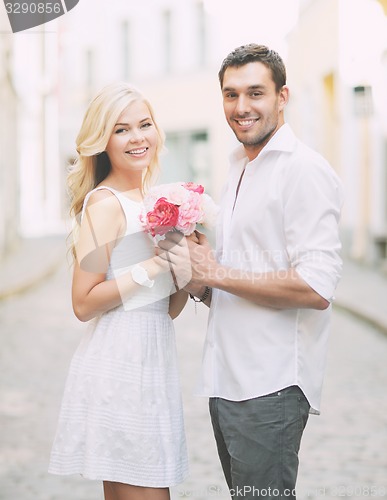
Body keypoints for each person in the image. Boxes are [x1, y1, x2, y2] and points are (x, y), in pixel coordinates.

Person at [158, 44, 344, 499]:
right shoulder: (239, 167)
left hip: (271, 386)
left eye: (255, 93)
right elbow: (240, 275)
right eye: (230, 94)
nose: (241, 107)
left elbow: (316, 287)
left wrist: (216, 273)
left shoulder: (303, 171)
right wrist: (200, 278)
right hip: (227, 380)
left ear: (282, 97)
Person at [48, 82, 190, 500]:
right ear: (103, 141)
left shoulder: (151, 200)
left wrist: (184, 267)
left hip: (152, 359)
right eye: (122, 129)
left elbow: (164, 310)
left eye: (145, 124)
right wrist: (152, 265)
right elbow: (82, 302)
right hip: (119, 366)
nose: (138, 137)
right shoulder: (106, 204)